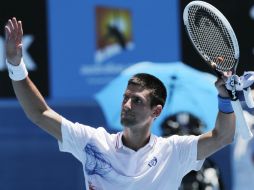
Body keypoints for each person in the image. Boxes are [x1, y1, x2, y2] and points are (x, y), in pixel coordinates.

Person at [5, 17, 235, 190]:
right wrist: (16, 66)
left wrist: (225, 99)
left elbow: (222, 137)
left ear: (156, 111)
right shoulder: (93, 142)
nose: (127, 105)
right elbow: (39, 113)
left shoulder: (174, 151)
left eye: (137, 101)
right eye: (125, 98)